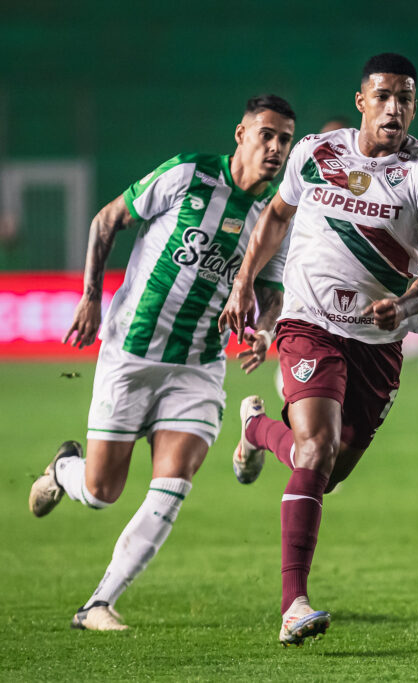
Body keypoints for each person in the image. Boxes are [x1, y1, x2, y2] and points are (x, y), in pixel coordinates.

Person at [28, 95, 296, 630]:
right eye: (266, 134)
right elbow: (108, 220)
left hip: (197, 366)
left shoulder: (273, 220)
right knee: (103, 492)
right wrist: (89, 297)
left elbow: (272, 292)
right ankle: (64, 468)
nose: (275, 148)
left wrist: (264, 331)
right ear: (240, 134)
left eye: (285, 139)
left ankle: (97, 604)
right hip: (131, 352)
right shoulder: (188, 174)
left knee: (173, 483)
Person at [219, 53, 418, 646]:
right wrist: (246, 280)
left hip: (378, 339)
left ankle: (255, 430)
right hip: (309, 322)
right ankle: (293, 603)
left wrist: (402, 307)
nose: (393, 108)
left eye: (405, 98)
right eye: (383, 96)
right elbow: (276, 216)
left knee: (328, 470)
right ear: (361, 102)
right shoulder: (317, 153)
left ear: (415, 106)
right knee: (316, 448)